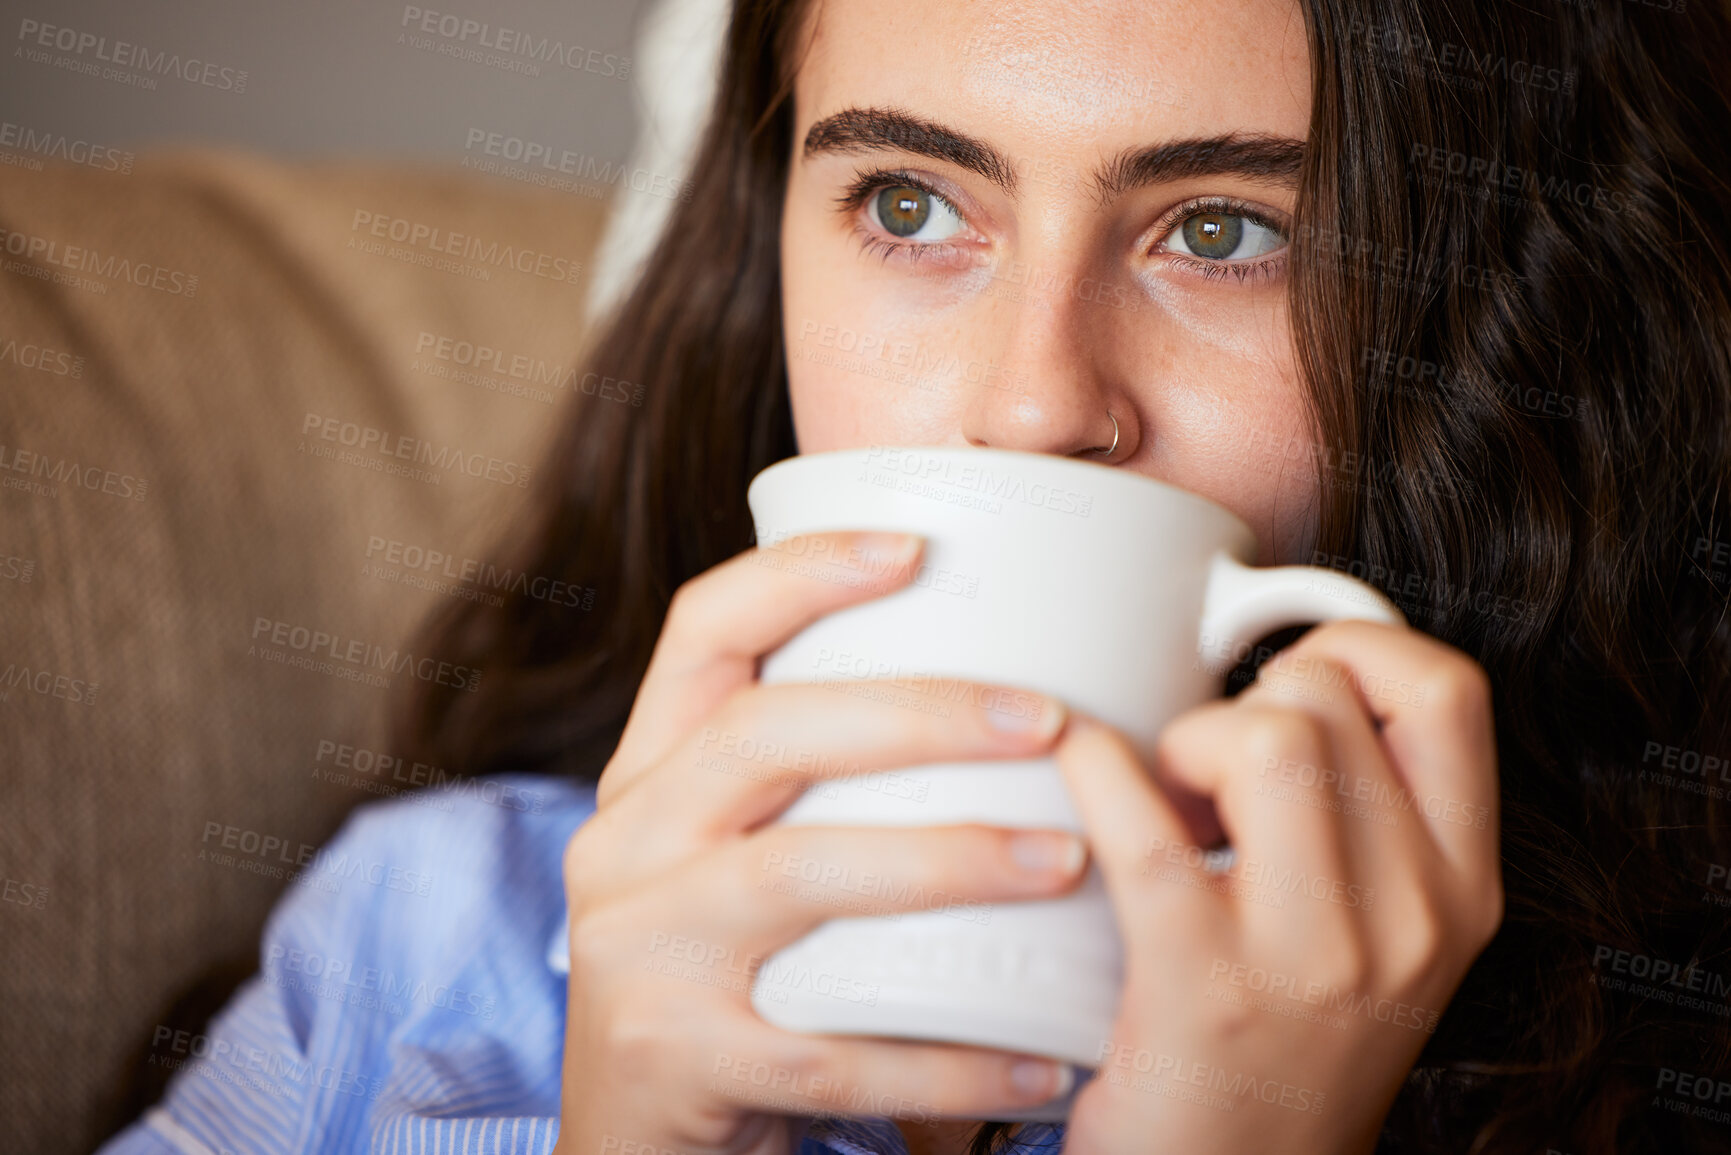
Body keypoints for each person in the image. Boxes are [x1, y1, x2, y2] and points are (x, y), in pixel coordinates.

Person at [99, 0, 1731, 1151]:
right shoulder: (420, 931)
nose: (1031, 404)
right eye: (908, 201)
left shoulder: (1655, 1031)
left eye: (1226, 230)